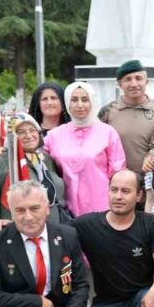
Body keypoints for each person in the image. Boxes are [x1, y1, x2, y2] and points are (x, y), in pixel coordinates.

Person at [73, 170, 154, 307]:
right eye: (114, 189)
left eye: (126, 191)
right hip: (106, 303)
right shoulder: (87, 224)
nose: (118, 196)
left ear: (139, 196)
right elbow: (55, 232)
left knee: (152, 304)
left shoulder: (149, 223)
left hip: (142, 298)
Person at [44, 82, 126, 217]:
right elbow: (35, 156)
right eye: (74, 100)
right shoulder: (54, 136)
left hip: (102, 209)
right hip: (66, 210)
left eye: (85, 99)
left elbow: (118, 173)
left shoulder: (107, 133)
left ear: (92, 102)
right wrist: (2, 150)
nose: (80, 105)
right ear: (67, 103)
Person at [0, 113, 68, 231]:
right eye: (21, 132)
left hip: (54, 231)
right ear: (12, 136)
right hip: (18, 233)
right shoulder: (1, 162)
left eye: (32, 130)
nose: (28, 135)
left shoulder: (45, 158)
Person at [98, 60, 154, 174]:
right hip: (118, 183)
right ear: (119, 84)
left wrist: (153, 155)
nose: (134, 84)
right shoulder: (107, 112)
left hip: (153, 180)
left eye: (138, 78)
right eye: (128, 79)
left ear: (146, 81)